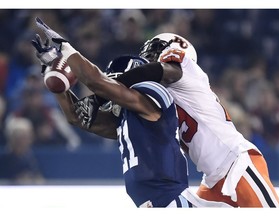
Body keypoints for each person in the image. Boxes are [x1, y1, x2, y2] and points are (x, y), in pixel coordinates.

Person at [31, 17, 233, 208]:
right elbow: (78, 118)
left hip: (171, 202)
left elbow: (98, 83)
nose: (112, 85)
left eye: (115, 79)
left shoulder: (156, 97)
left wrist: (66, 48)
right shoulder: (129, 118)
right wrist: (56, 80)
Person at [109, 33, 279, 207]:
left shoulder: (185, 69)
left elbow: (158, 70)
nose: (149, 56)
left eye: (156, 49)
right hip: (211, 180)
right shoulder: (160, 98)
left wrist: (110, 89)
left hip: (235, 164)